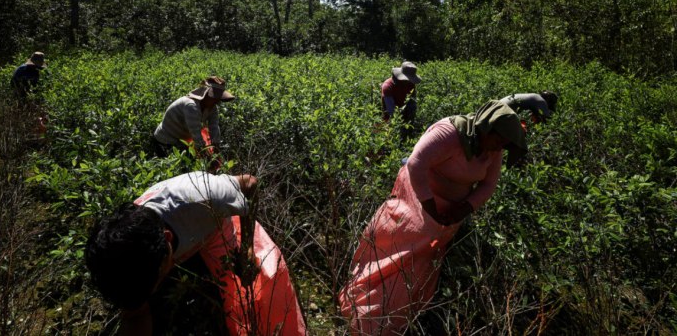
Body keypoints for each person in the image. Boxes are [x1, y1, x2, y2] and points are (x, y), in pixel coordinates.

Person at [339, 100, 527, 335]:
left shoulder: (493, 149)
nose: (500, 147)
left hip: (451, 210)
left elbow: (488, 185)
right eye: (499, 140)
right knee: (405, 241)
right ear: (487, 128)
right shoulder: (449, 133)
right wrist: (430, 210)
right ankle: (363, 302)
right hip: (418, 196)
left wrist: (464, 209)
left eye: (505, 144)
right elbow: (416, 164)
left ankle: (399, 312)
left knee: (425, 256)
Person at [85, 171, 306, 335]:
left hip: (213, 231)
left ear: (168, 242)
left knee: (246, 284)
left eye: (157, 279)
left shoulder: (206, 198)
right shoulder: (125, 249)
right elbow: (134, 314)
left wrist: (247, 246)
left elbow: (250, 183)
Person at [152, 76, 234, 157]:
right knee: (181, 163)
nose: (217, 101)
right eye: (214, 98)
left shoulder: (212, 107)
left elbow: (214, 127)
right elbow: (196, 134)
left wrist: (216, 147)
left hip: (181, 140)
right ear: (206, 94)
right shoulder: (191, 106)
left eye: (218, 98)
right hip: (165, 140)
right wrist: (206, 156)